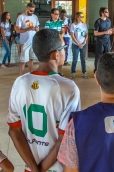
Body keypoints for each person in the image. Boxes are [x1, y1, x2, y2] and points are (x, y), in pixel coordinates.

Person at [8, 29, 80, 172]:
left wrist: (35, 169)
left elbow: (14, 131)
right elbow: (64, 140)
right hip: (56, 168)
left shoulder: (19, 83)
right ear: (55, 54)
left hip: (30, 167)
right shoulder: (68, 88)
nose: (65, 51)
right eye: (63, 48)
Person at [15, 2, 39, 75]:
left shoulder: (35, 17)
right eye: (30, 10)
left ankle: (30, 73)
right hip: (25, 42)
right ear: (27, 8)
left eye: (33, 11)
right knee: (23, 61)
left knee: (31, 59)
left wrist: (36, 28)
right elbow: (17, 30)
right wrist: (28, 29)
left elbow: (38, 28)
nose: (32, 12)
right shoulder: (21, 17)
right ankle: (20, 76)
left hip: (33, 41)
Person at [45, 8, 65, 77]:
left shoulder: (61, 22)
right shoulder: (48, 22)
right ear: (52, 14)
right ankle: (53, 71)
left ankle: (59, 71)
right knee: (53, 57)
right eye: (56, 14)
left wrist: (61, 36)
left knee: (61, 56)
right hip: (51, 42)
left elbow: (63, 31)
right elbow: (47, 33)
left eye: (58, 14)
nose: (57, 15)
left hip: (59, 40)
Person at [93, 7, 113, 73]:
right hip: (100, 42)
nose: (108, 13)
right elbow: (95, 33)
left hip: (107, 41)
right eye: (106, 12)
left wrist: (111, 32)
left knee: (108, 56)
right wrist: (105, 32)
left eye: (108, 11)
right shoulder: (98, 22)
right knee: (99, 57)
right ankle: (97, 71)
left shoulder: (109, 21)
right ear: (102, 13)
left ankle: (106, 71)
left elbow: (109, 30)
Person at [70, 12, 89, 79]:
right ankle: (73, 72)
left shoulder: (84, 25)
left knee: (83, 59)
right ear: (77, 17)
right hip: (75, 44)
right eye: (81, 16)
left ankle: (84, 72)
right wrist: (78, 44)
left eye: (82, 17)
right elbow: (72, 36)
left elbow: (86, 34)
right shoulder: (73, 25)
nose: (82, 18)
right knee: (75, 59)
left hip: (83, 44)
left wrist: (84, 42)